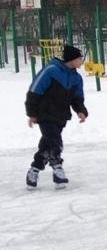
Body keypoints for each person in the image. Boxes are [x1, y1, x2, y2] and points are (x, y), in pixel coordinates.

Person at [25, 44, 88, 190]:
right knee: (55, 142)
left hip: (61, 117)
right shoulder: (51, 71)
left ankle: (33, 170)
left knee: (47, 145)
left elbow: (77, 98)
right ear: (72, 60)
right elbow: (34, 90)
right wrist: (32, 113)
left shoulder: (76, 78)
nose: (81, 61)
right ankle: (57, 169)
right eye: (79, 58)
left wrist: (81, 110)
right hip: (45, 114)